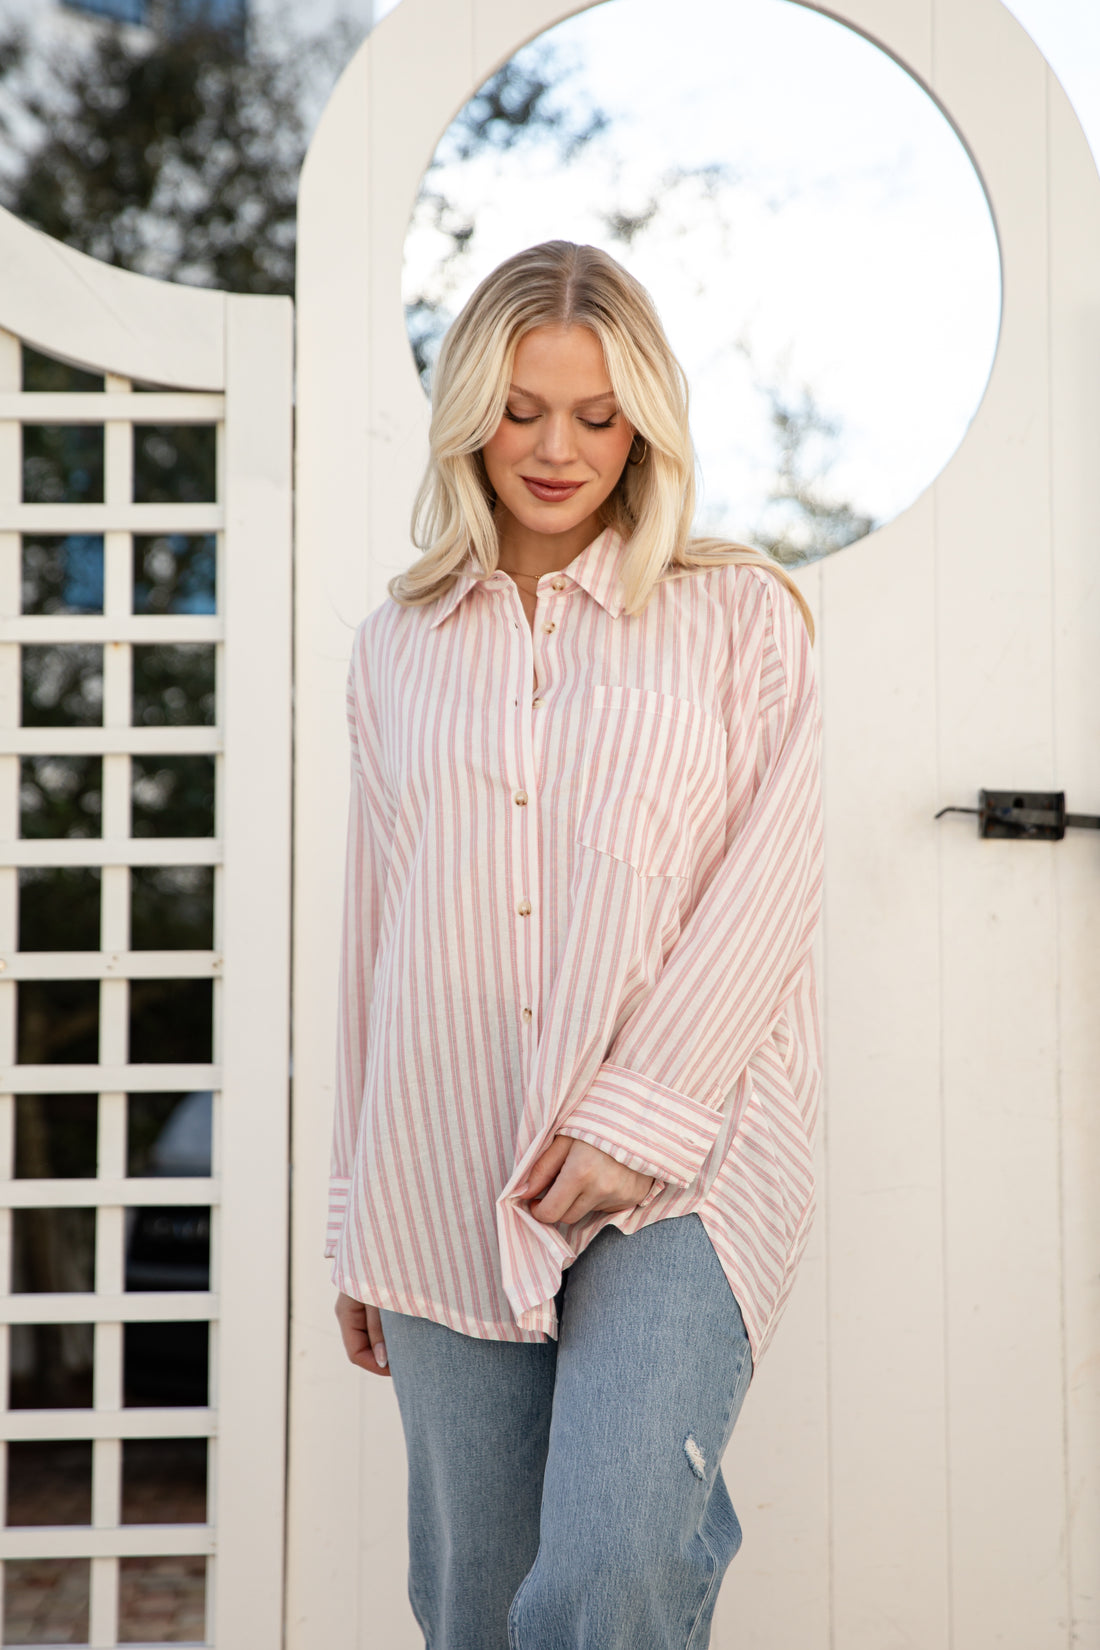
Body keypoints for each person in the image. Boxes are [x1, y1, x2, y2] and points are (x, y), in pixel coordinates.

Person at [328, 239, 823, 1650]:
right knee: (477, 1604)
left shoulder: (741, 618)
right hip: (444, 1153)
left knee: (610, 1572)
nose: (557, 449)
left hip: (685, 1171)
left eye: (598, 416)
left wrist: (637, 1116)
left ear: (645, 425)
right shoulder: (396, 641)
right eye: (522, 408)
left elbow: (768, 885)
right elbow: (378, 921)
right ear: (468, 411)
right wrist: (362, 1206)